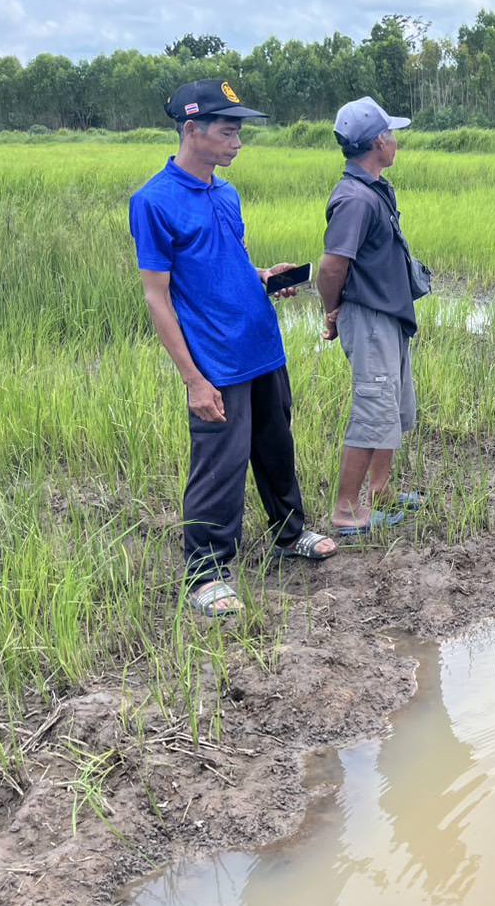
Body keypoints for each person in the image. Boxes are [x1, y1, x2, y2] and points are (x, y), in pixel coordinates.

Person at [130, 79, 336, 619]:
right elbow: (157, 297)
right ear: (191, 130)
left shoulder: (226, 193)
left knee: (275, 446)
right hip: (215, 359)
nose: (237, 142)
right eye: (227, 131)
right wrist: (193, 379)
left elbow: (234, 262)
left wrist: (264, 277)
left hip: (261, 344)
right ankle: (205, 574)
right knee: (219, 465)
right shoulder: (153, 202)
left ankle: (289, 534)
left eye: (239, 132)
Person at [318, 96, 429, 536]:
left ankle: (380, 493)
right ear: (379, 142)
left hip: (388, 314)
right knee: (372, 408)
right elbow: (332, 267)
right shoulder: (355, 199)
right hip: (369, 318)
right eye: (392, 134)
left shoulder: (374, 188)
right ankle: (346, 512)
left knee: (392, 406)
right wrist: (332, 311)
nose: (396, 141)